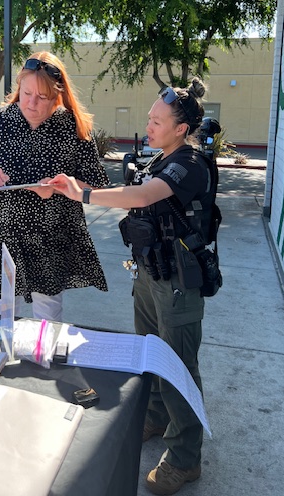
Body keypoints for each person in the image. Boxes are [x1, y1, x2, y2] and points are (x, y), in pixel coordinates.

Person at [50, 78, 212, 496]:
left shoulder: (188, 164)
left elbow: (142, 197)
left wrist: (82, 194)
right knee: (150, 355)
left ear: (181, 128)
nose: (150, 125)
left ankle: (184, 458)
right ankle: (157, 416)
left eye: (158, 121)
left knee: (178, 369)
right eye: (149, 118)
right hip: (150, 274)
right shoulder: (161, 158)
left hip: (178, 282)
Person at [0, 51, 110, 321]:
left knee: (48, 318)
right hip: (0, 236)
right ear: (19, 86)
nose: (31, 103)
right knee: (3, 315)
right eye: (26, 93)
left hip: (50, 237)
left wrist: (60, 188)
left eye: (42, 97)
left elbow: (96, 188)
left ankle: (44, 363)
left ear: (57, 95)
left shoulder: (73, 127)